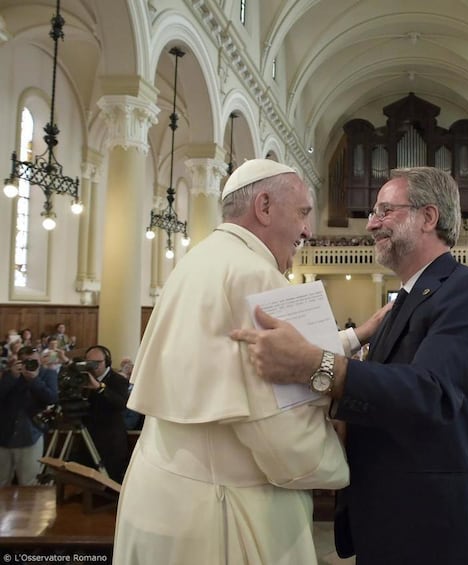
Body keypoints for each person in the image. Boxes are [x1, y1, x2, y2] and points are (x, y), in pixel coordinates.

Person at [113, 160, 385, 565]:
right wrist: (345, 462)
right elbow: (282, 434)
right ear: (264, 206)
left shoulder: (199, 260)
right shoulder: (256, 275)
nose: (307, 230)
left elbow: (220, 367)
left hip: (163, 498)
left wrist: (351, 337)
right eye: (302, 213)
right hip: (221, 516)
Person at [232, 166, 468, 565]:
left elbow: (430, 392)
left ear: (429, 218)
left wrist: (318, 365)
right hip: (390, 515)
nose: (371, 223)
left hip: (432, 525)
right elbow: (381, 401)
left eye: (384, 211)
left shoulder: (467, 292)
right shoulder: (403, 304)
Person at [0, 347, 58, 485]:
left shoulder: (47, 374)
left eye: (35, 361)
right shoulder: (10, 375)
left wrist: (34, 380)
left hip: (31, 434)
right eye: (27, 361)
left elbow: (52, 398)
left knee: (29, 482)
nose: (32, 364)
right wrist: (11, 377)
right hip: (4, 436)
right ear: (19, 361)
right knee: (2, 481)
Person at [79, 345, 131, 484]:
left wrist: (99, 387)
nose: (93, 366)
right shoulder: (82, 379)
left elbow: (121, 404)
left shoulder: (118, 380)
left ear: (107, 362)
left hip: (110, 441)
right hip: (88, 436)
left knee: (110, 481)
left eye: (97, 363)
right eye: (89, 363)